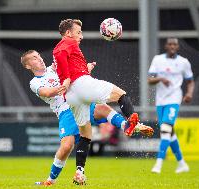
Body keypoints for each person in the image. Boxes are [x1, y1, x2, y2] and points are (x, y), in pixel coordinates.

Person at [20, 50, 153, 186]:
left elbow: (71, 73)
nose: (40, 59)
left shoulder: (53, 68)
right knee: (66, 146)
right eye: (34, 58)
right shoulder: (34, 82)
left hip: (78, 101)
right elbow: (47, 92)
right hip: (65, 111)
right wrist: (64, 85)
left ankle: (127, 126)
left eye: (39, 56)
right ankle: (50, 181)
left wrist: (84, 71)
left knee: (102, 108)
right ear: (28, 66)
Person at [52, 19, 149, 184]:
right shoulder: (67, 43)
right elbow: (61, 56)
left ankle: (79, 172)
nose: (81, 36)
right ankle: (133, 120)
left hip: (72, 96)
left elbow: (66, 62)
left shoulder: (65, 47)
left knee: (85, 134)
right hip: (80, 84)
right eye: (78, 32)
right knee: (120, 94)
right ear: (68, 33)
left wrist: (83, 70)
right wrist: (66, 78)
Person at [148, 37, 195, 174]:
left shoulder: (183, 62)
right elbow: (149, 80)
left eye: (175, 44)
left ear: (178, 47)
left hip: (174, 98)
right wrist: (161, 78)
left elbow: (190, 81)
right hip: (160, 100)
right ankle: (182, 163)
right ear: (166, 46)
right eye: (170, 44)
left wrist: (189, 93)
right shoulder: (158, 60)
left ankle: (158, 164)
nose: (172, 46)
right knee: (169, 132)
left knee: (165, 129)